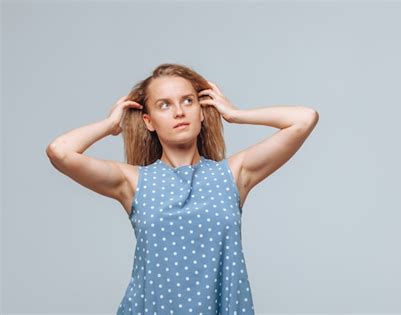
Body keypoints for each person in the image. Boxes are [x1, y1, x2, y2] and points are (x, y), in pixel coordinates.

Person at [45, 63, 319, 314]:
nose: (179, 112)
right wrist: (108, 125)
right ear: (148, 121)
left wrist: (235, 114)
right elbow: (60, 152)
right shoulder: (133, 182)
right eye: (164, 105)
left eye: (188, 101)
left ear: (201, 112)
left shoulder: (232, 175)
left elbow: (304, 119)